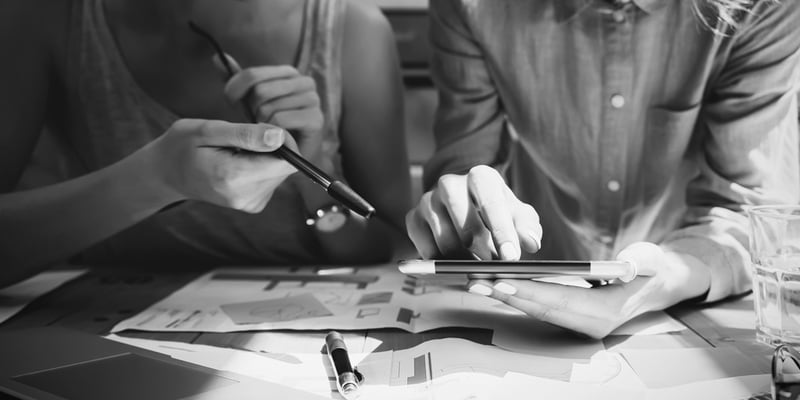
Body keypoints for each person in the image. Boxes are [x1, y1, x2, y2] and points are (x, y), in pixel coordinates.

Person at [407, 0, 800, 338]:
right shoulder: (472, 7)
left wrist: (671, 277)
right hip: (518, 302)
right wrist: (462, 204)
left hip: (685, 310)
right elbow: (466, 153)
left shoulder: (763, 8)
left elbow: (748, 212)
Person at [0, 0, 411, 287]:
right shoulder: (49, 16)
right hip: (94, 330)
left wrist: (310, 172)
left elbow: (391, 243)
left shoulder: (352, 27)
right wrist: (154, 179)